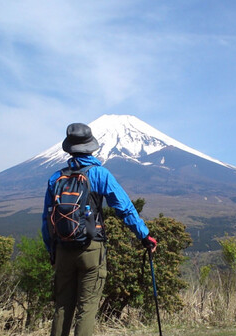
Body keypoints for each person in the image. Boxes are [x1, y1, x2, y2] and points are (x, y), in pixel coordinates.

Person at [42, 122, 157, 336]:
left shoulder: (55, 178)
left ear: (69, 148)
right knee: (86, 309)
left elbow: (46, 219)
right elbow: (124, 208)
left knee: (62, 307)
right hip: (91, 250)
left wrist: (52, 250)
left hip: (62, 250)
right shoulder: (100, 175)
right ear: (91, 147)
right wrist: (145, 236)